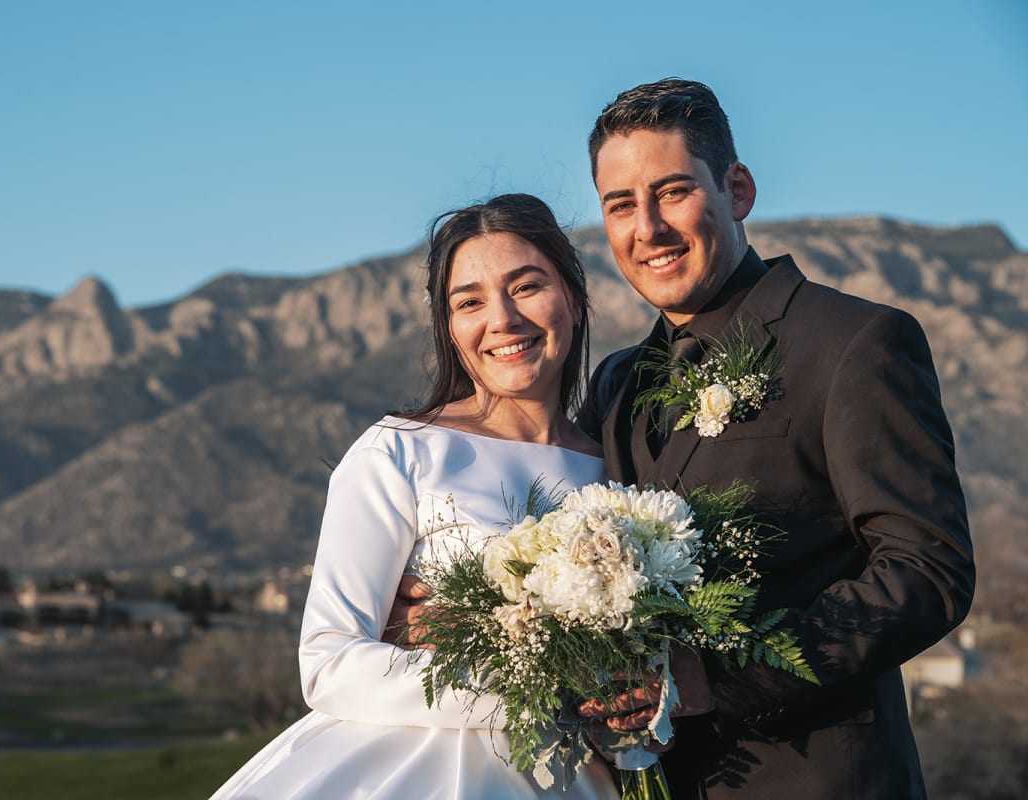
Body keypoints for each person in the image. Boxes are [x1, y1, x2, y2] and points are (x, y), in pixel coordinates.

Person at [573, 79, 976, 798]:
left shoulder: (855, 343)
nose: (648, 229)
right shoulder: (616, 384)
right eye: (620, 205)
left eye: (671, 192)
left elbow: (926, 572)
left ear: (737, 189)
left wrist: (718, 677)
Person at [207, 194, 619, 799]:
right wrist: (518, 686)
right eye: (470, 302)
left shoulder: (618, 469)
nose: (502, 319)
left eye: (527, 286)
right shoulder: (399, 452)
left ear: (575, 300)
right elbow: (328, 661)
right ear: (450, 328)